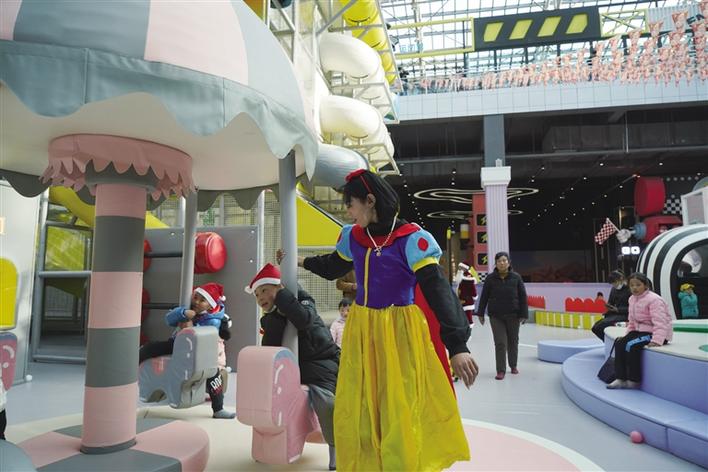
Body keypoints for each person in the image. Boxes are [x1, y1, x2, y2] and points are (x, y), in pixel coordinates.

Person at [279, 169, 477, 471]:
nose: (348, 211)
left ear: (369, 201)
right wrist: (299, 260)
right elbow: (333, 266)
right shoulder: (354, 237)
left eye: (350, 204)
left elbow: (438, 292)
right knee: (361, 400)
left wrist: (458, 346)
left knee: (399, 401)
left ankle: (401, 464)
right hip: (363, 330)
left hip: (400, 330)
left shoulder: (412, 239)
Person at [246, 263, 340, 470]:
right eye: (256, 295)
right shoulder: (270, 318)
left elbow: (304, 320)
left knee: (326, 403)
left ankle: (336, 446)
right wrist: (277, 318)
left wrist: (283, 297)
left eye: (265, 290)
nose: (260, 297)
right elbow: (270, 346)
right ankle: (268, 442)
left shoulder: (304, 302)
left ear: (280, 287)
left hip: (321, 363)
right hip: (294, 369)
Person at [139, 283, 235, 419]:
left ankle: (218, 408)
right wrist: (182, 313)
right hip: (178, 344)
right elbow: (168, 319)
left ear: (210, 306)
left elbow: (202, 337)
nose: (196, 302)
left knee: (214, 377)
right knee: (150, 348)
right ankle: (136, 361)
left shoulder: (214, 320)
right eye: (195, 297)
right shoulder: (189, 309)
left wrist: (190, 326)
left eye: (202, 300)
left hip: (200, 352)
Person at [607, 273, 673, 389]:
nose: (634, 288)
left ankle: (634, 380)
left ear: (645, 285)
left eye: (638, 285)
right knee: (619, 343)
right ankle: (620, 378)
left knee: (631, 345)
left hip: (654, 333)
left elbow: (661, 322)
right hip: (639, 331)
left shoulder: (654, 300)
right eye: (632, 285)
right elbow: (632, 320)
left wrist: (657, 340)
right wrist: (628, 335)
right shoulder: (632, 299)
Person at [477, 251, 528, 380]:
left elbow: (523, 296)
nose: (502, 263)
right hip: (496, 316)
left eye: (504, 260)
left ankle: (513, 365)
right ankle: (500, 370)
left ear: (509, 262)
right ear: (496, 263)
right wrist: (480, 313)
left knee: (513, 341)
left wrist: (524, 314)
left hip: (513, 315)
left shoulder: (516, 277)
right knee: (500, 343)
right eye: (499, 261)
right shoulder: (490, 278)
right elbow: (484, 296)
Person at [591, 270, 631, 341]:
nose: (614, 285)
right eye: (612, 284)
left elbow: (633, 308)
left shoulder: (630, 290)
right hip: (614, 314)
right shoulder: (614, 289)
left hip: (625, 315)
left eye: (615, 283)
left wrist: (618, 310)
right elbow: (610, 302)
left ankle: (613, 342)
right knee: (595, 328)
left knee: (600, 326)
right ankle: (608, 342)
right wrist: (608, 307)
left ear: (621, 279)